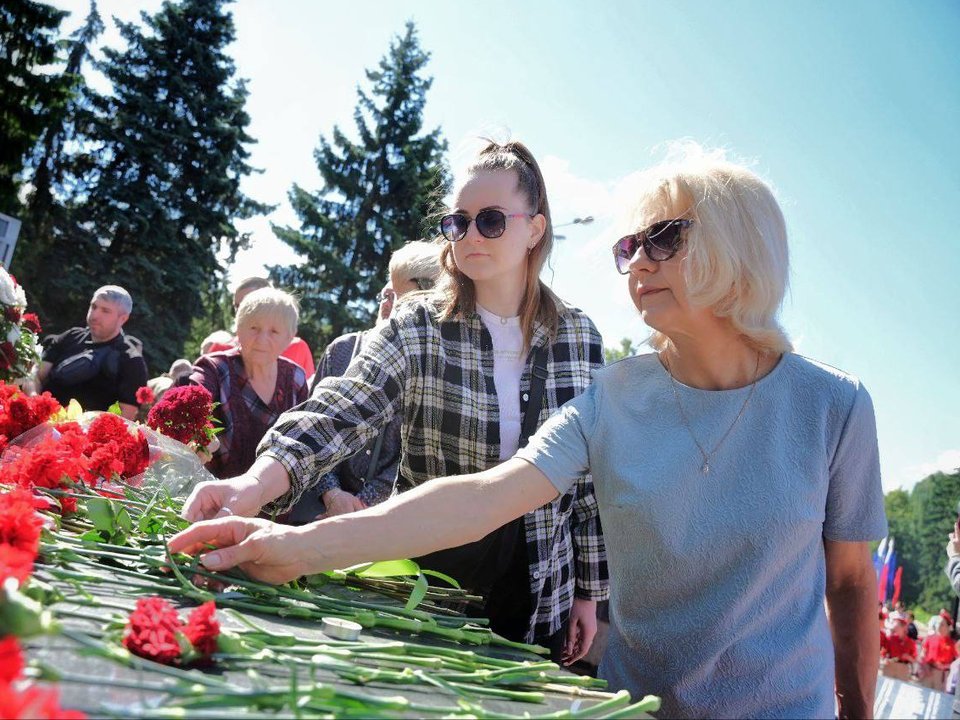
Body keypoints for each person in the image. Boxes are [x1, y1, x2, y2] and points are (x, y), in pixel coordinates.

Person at [170, 144, 888, 718]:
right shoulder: (612, 395)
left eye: (664, 238)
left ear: (742, 244)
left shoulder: (834, 407)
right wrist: (297, 545)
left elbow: (853, 583)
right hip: (621, 702)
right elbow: (479, 495)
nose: (637, 261)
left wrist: (858, 712)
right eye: (630, 245)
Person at [173, 139, 608, 661]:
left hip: (542, 581)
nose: (470, 235)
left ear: (535, 228)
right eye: (457, 221)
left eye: (491, 220)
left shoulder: (578, 335)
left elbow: (587, 481)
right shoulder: (419, 322)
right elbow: (341, 409)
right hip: (431, 578)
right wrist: (255, 481)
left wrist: (590, 591)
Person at [289, 240, 443, 522]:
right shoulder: (342, 350)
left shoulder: (434, 369)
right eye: (386, 295)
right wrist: (332, 494)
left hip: (387, 519)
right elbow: (315, 424)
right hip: (318, 510)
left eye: (400, 297)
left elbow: (414, 455)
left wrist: (364, 503)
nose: (391, 306)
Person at [181, 287, 308, 478]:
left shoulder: (296, 378)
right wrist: (202, 433)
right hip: (213, 496)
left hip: (274, 501)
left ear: (289, 338)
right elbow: (193, 402)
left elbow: (301, 439)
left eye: (274, 331)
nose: (262, 339)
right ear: (239, 328)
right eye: (253, 328)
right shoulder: (215, 368)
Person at [37, 285, 148, 419]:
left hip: (81, 436)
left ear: (123, 318)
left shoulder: (132, 361)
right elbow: (36, 375)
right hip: (40, 421)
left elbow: (125, 420)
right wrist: (34, 400)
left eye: (105, 311)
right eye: (94, 307)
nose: (95, 315)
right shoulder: (71, 336)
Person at [205, 277, 315, 378]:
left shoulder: (298, 348)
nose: (242, 311)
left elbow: (308, 391)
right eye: (237, 306)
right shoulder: (220, 350)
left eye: (251, 304)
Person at [921, 616, 958, 689]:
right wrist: (925, 667)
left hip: (942, 675)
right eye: (938, 624)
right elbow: (923, 653)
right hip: (928, 671)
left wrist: (945, 666)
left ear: (948, 627)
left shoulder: (952, 643)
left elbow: (957, 662)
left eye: (942, 624)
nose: (939, 626)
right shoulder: (930, 638)